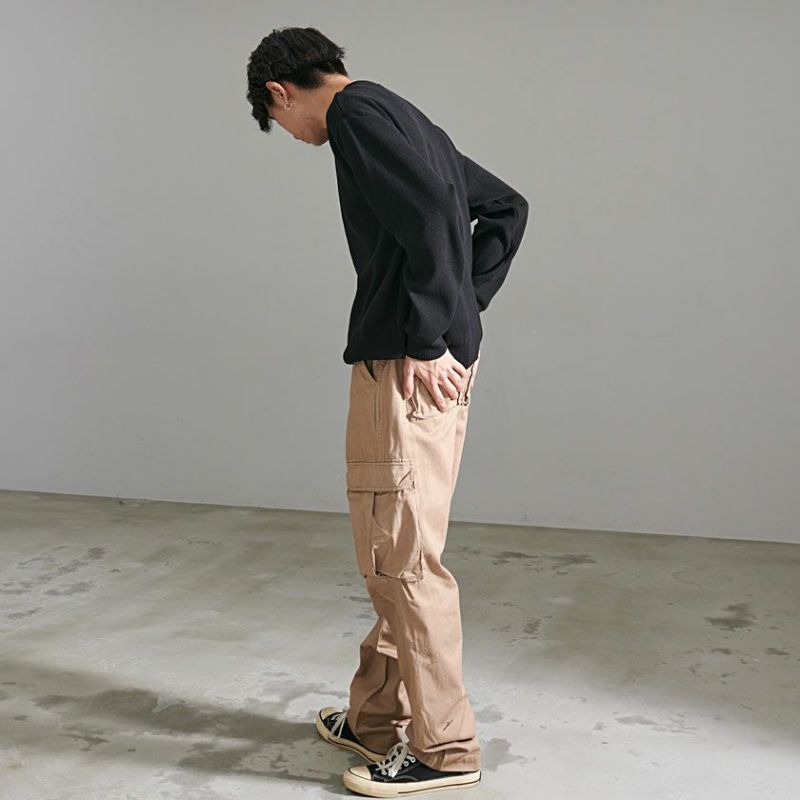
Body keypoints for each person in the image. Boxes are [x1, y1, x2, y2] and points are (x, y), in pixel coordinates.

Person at [246, 26, 528, 797]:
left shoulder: (354, 118)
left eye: (279, 122)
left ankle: (446, 750)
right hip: (430, 361)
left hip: (406, 370)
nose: (293, 136)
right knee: (400, 552)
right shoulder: (404, 115)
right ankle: (374, 716)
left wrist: (430, 333)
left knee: (402, 562)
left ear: (280, 92)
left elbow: (434, 212)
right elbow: (505, 207)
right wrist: (462, 311)